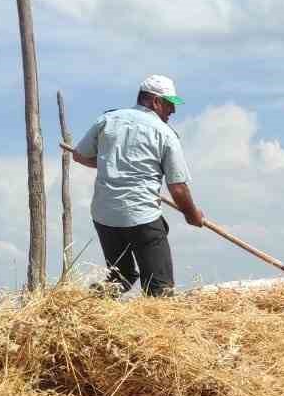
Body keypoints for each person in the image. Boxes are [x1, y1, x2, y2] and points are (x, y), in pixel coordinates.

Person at [70, 74, 206, 296]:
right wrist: (192, 215)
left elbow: (79, 155)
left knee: (120, 277)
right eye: (170, 104)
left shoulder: (108, 120)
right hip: (141, 215)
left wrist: (111, 164)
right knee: (159, 289)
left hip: (105, 216)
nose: (173, 111)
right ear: (155, 102)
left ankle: (85, 308)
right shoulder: (165, 134)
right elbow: (178, 188)